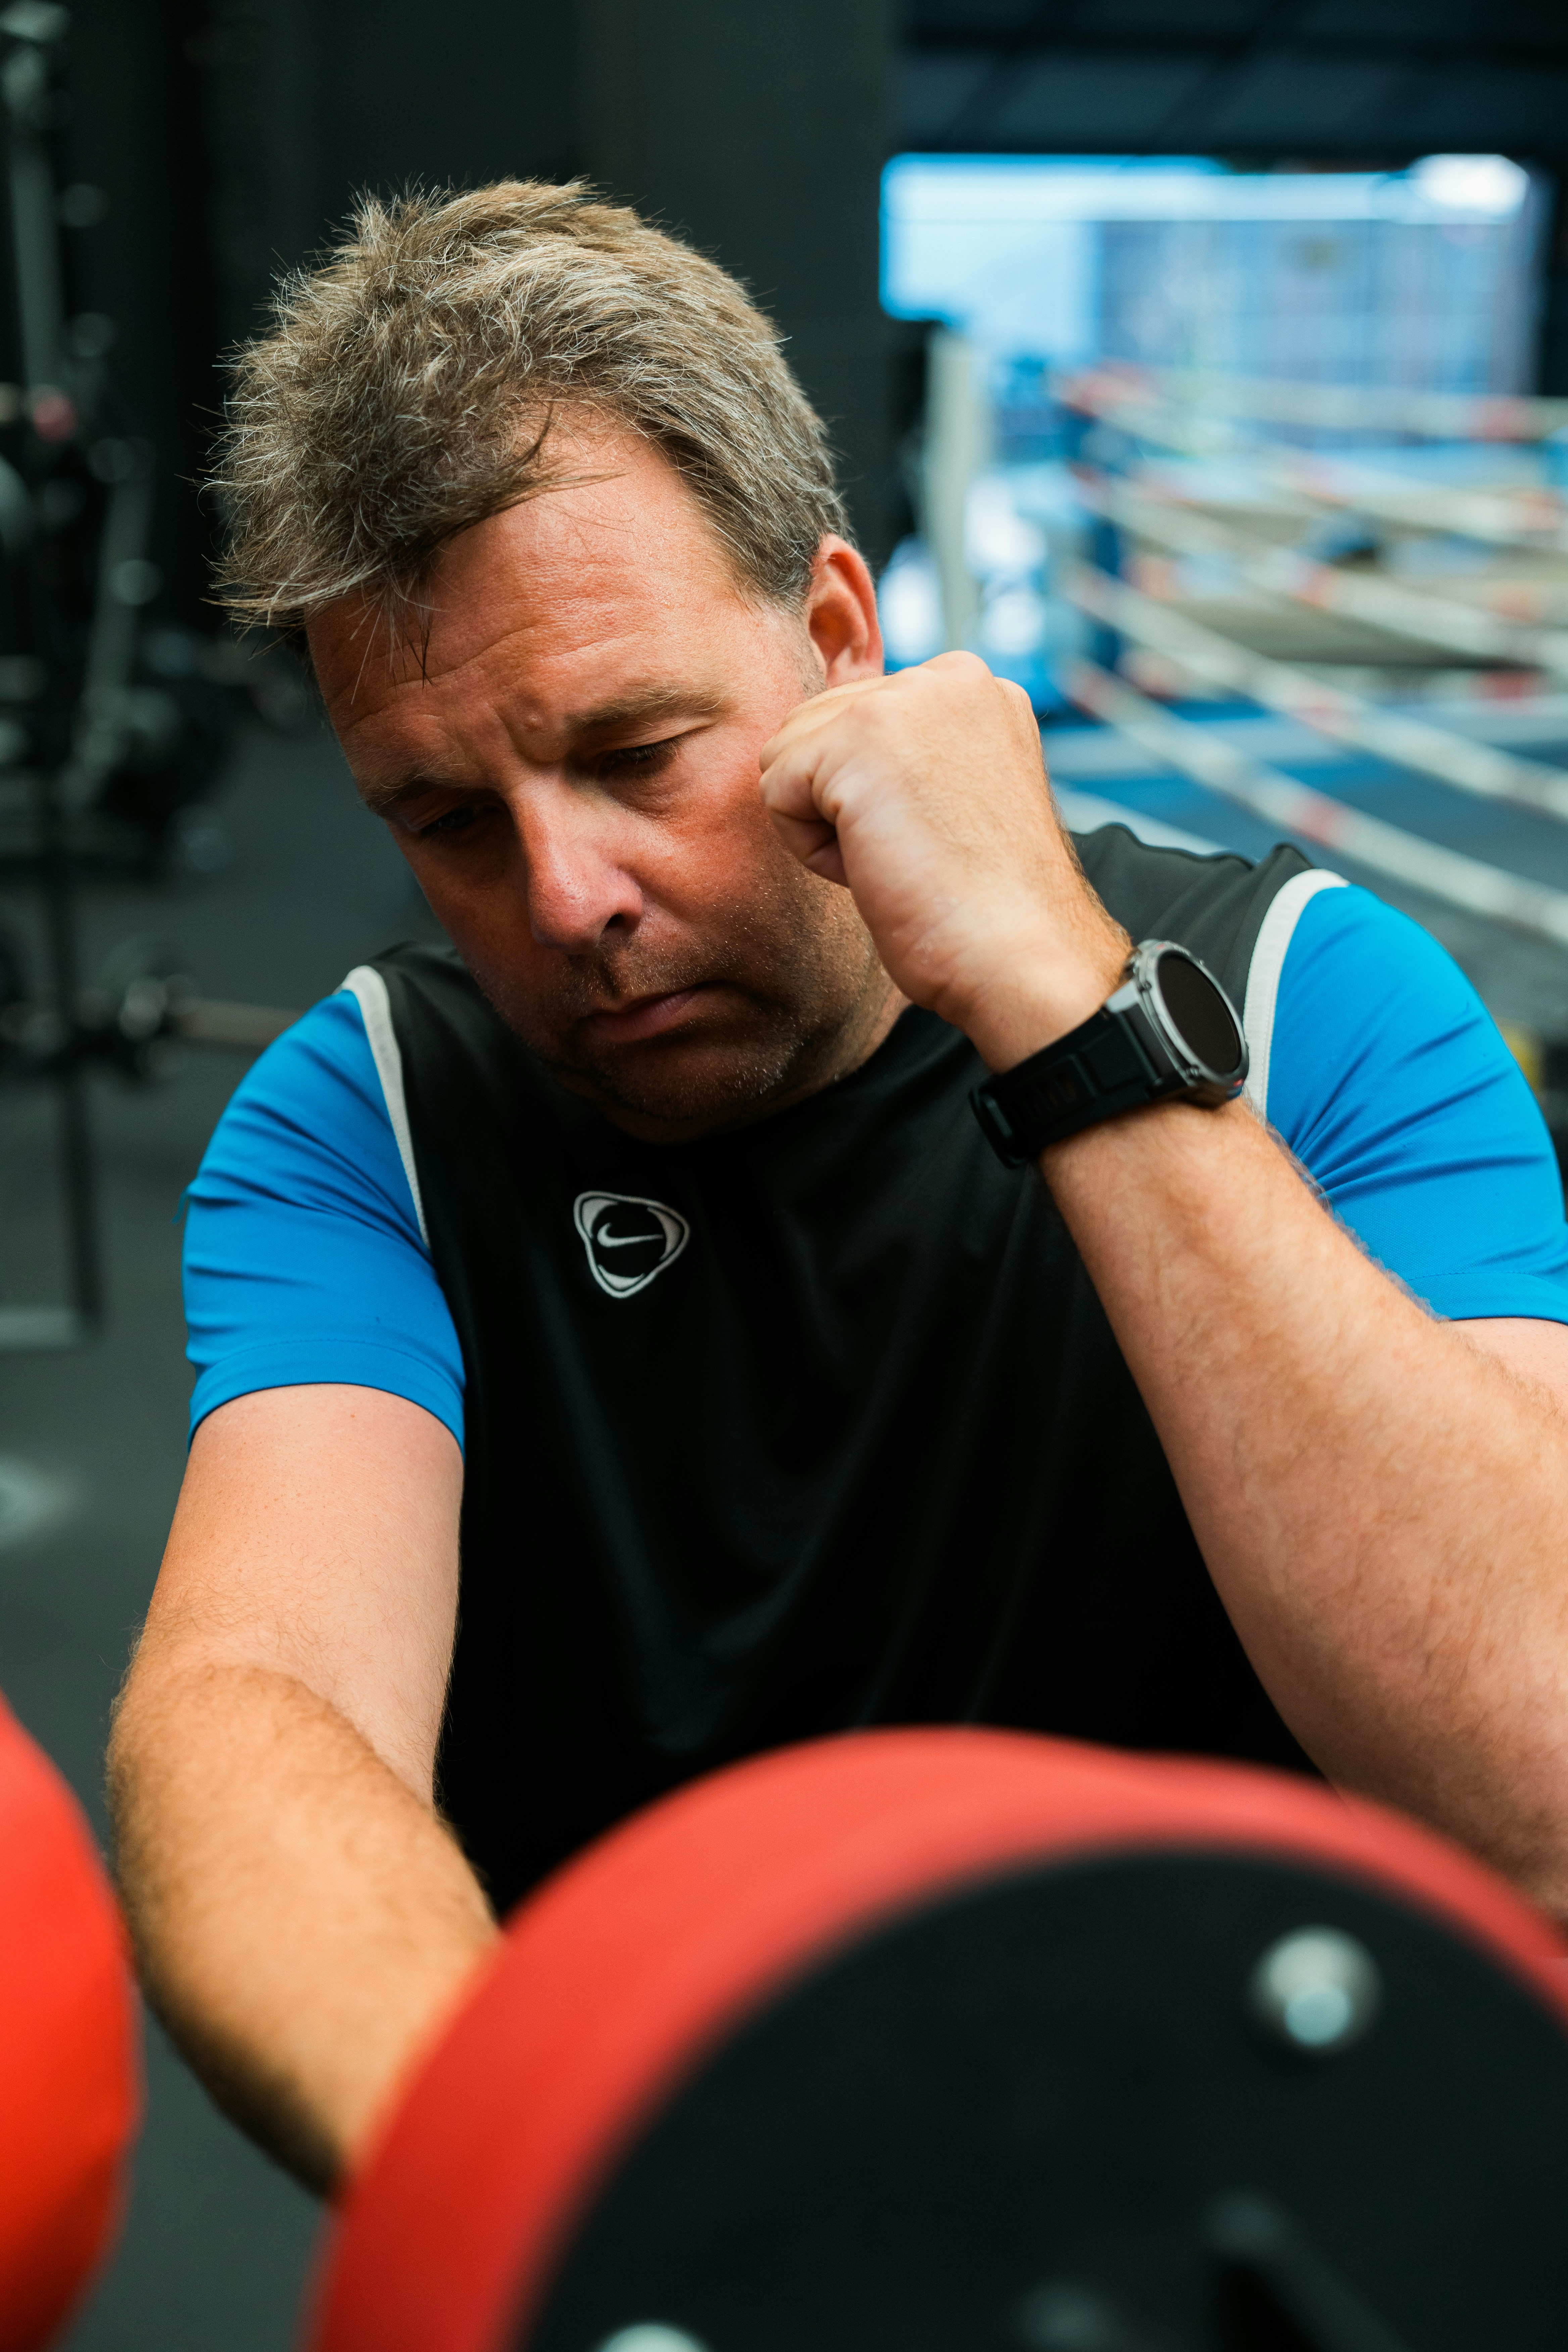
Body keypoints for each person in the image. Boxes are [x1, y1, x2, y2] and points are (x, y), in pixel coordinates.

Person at [109, 181, 1568, 2196]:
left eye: (636, 752)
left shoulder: (1315, 1003)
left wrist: (1063, 1015)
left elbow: (1542, 1783)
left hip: (1261, 2192)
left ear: (835, 640)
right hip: (654, 2181)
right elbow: (260, 1707)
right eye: (446, 820)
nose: (568, 901)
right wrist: (555, 2190)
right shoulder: (374, 1121)